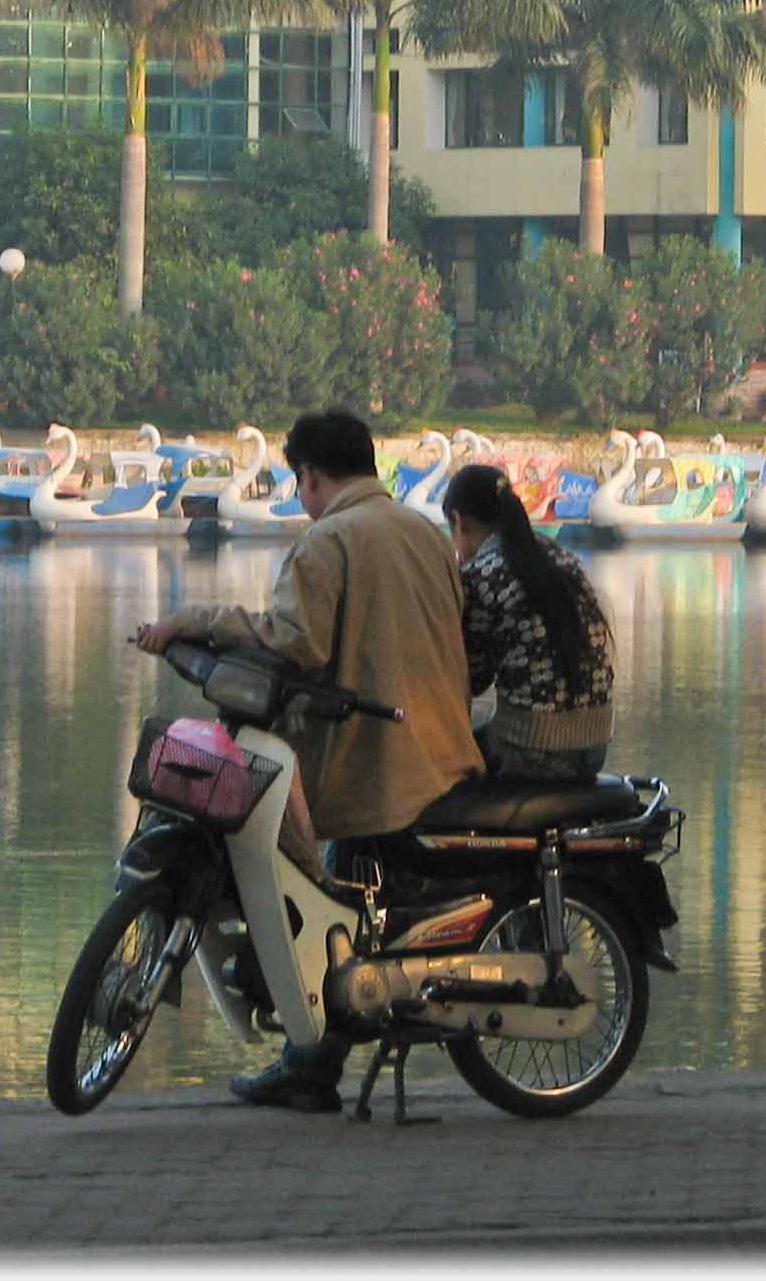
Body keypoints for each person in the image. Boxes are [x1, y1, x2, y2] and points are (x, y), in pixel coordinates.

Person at [132, 409, 480, 1114]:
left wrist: (193, 620)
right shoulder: (424, 531)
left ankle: (309, 1065)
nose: (301, 497)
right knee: (358, 903)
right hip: (444, 754)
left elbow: (294, 643)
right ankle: (319, 1055)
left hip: (378, 766)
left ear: (312, 476)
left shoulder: (328, 540)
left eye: (301, 483)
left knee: (326, 906)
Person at [440, 464, 616, 780]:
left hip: (530, 749)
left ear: (458, 520)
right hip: (596, 745)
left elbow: (472, 679)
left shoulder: (480, 575)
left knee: (431, 767)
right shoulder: (562, 557)